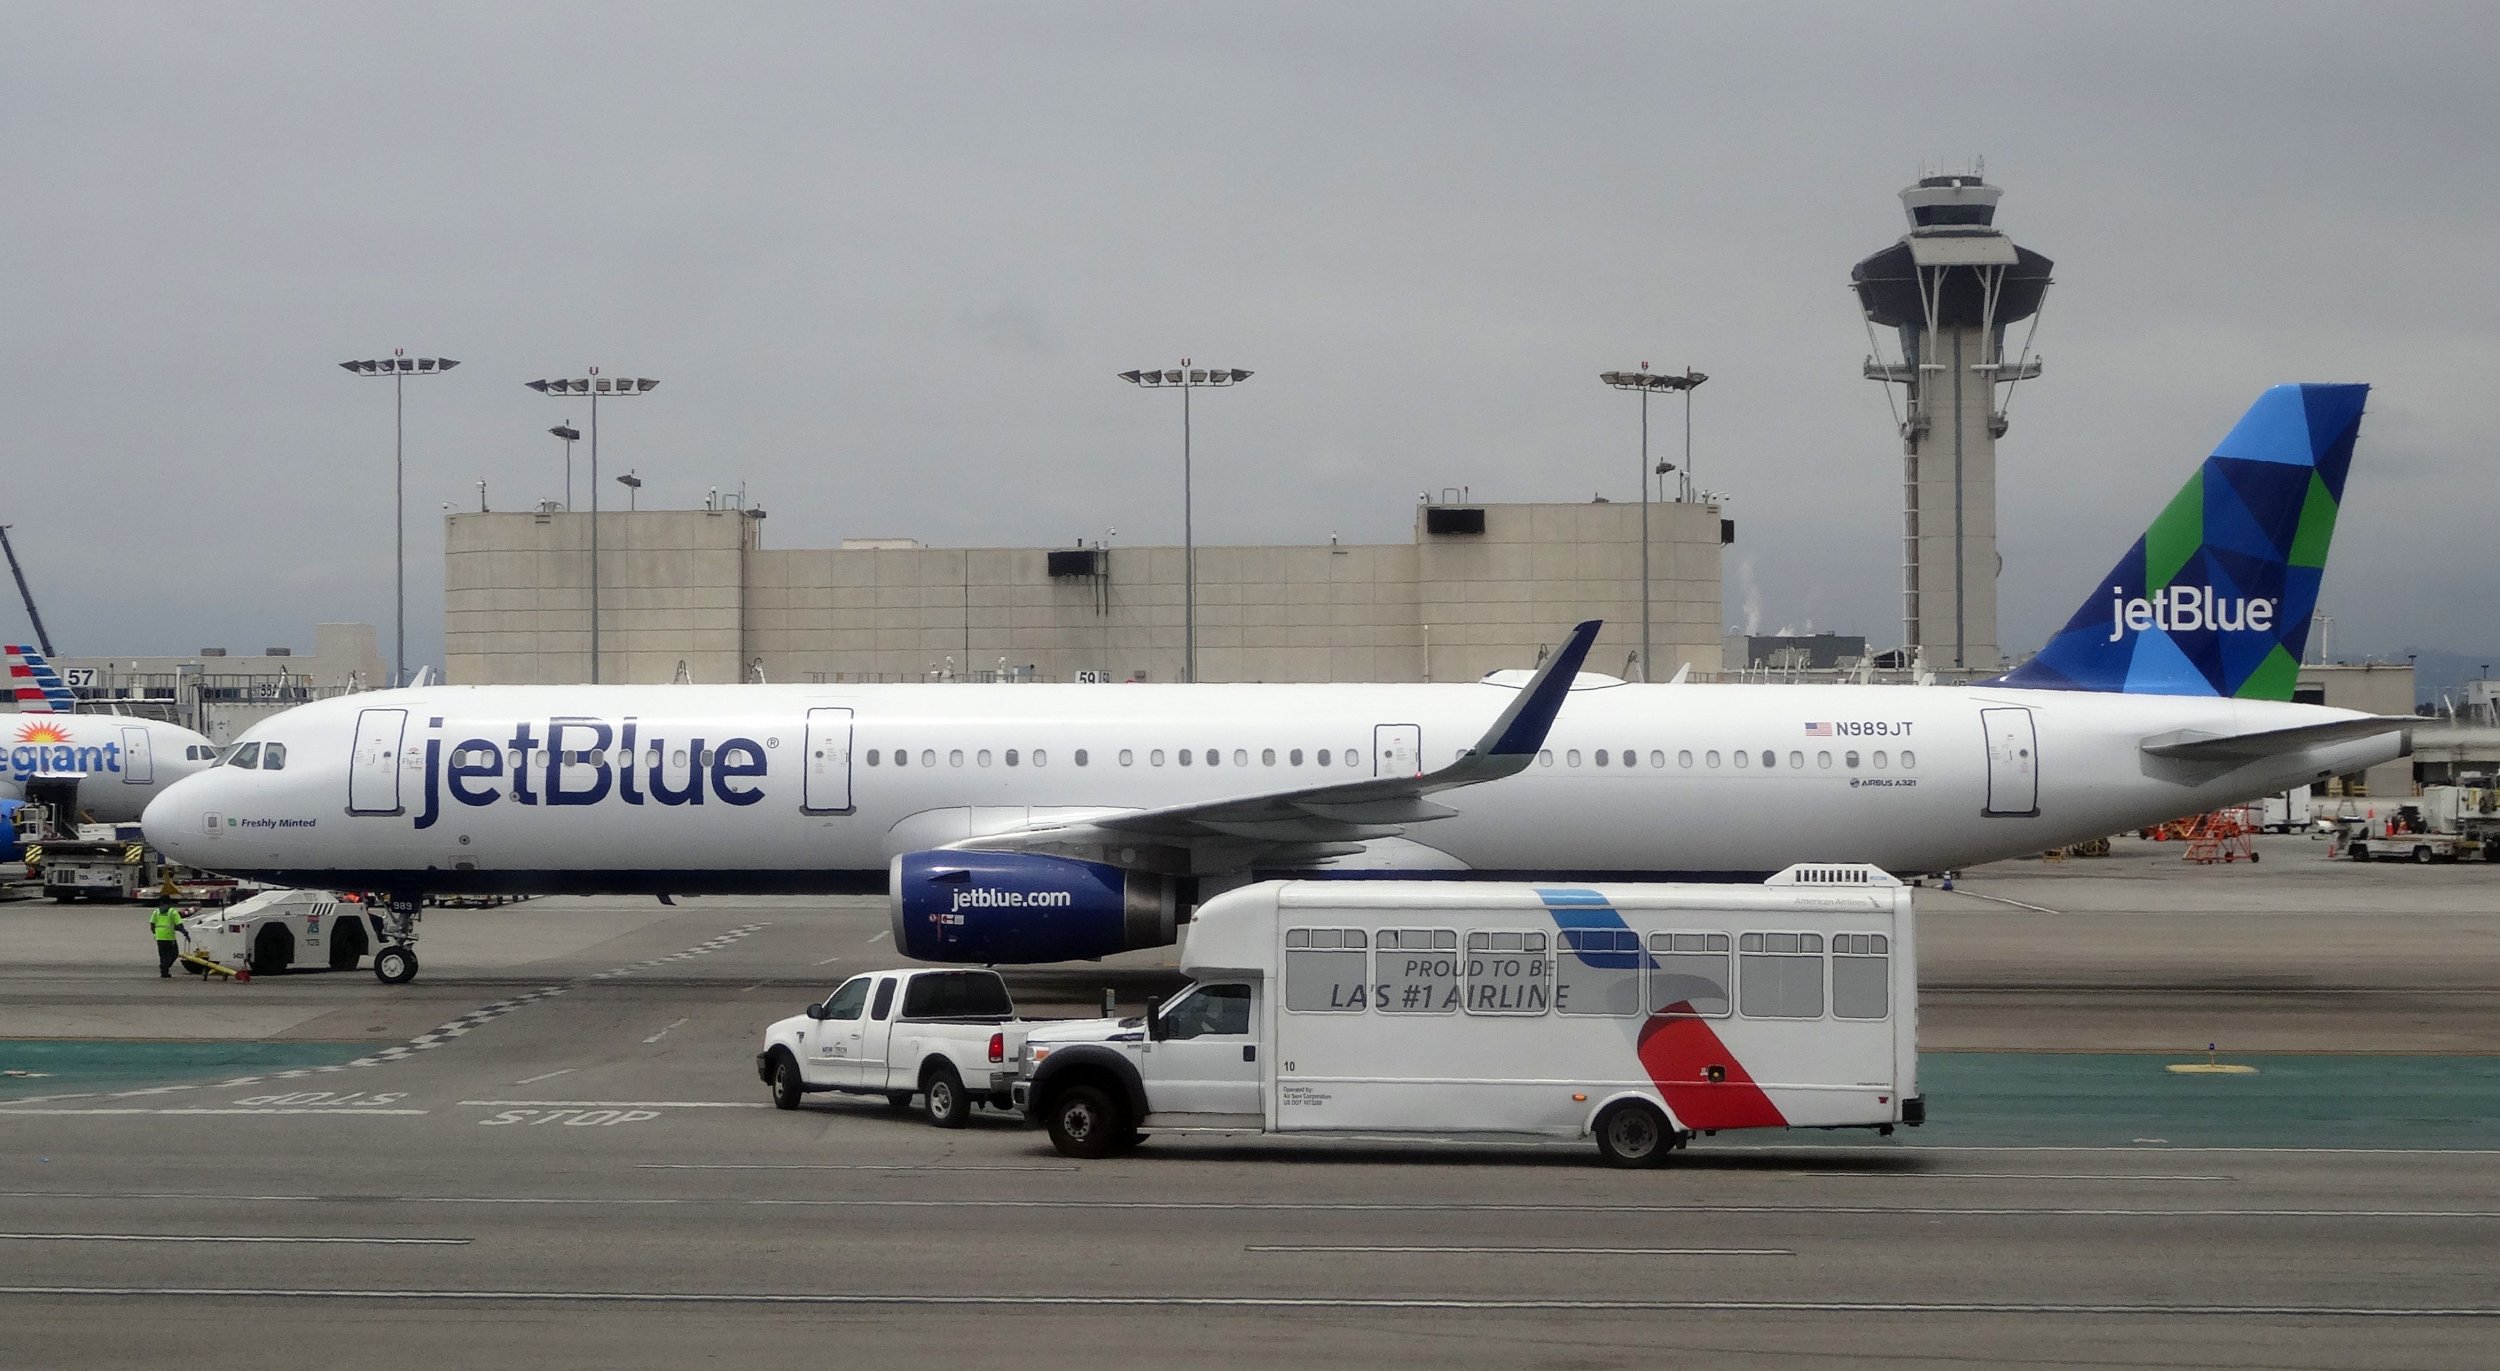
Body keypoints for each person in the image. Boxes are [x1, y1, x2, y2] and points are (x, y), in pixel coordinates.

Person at [149, 892, 184, 978]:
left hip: (159, 937)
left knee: (163, 955)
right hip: (169, 937)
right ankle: (165, 966)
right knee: (174, 954)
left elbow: (152, 925)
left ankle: (164, 972)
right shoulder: (172, 912)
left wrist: (155, 933)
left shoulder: (156, 912)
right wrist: (184, 932)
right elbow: (179, 925)